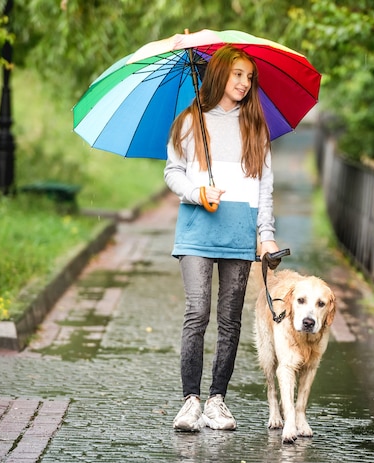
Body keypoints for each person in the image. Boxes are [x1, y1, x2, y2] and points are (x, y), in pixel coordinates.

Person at [164, 44, 279, 432]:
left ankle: (217, 401)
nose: (245, 83)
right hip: (196, 232)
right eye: (237, 74)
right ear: (219, 75)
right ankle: (190, 401)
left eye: (249, 77)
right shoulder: (189, 121)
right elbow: (172, 172)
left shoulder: (255, 128)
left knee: (230, 320)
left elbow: (264, 187)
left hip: (238, 235)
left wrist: (266, 236)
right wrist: (198, 193)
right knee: (198, 313)